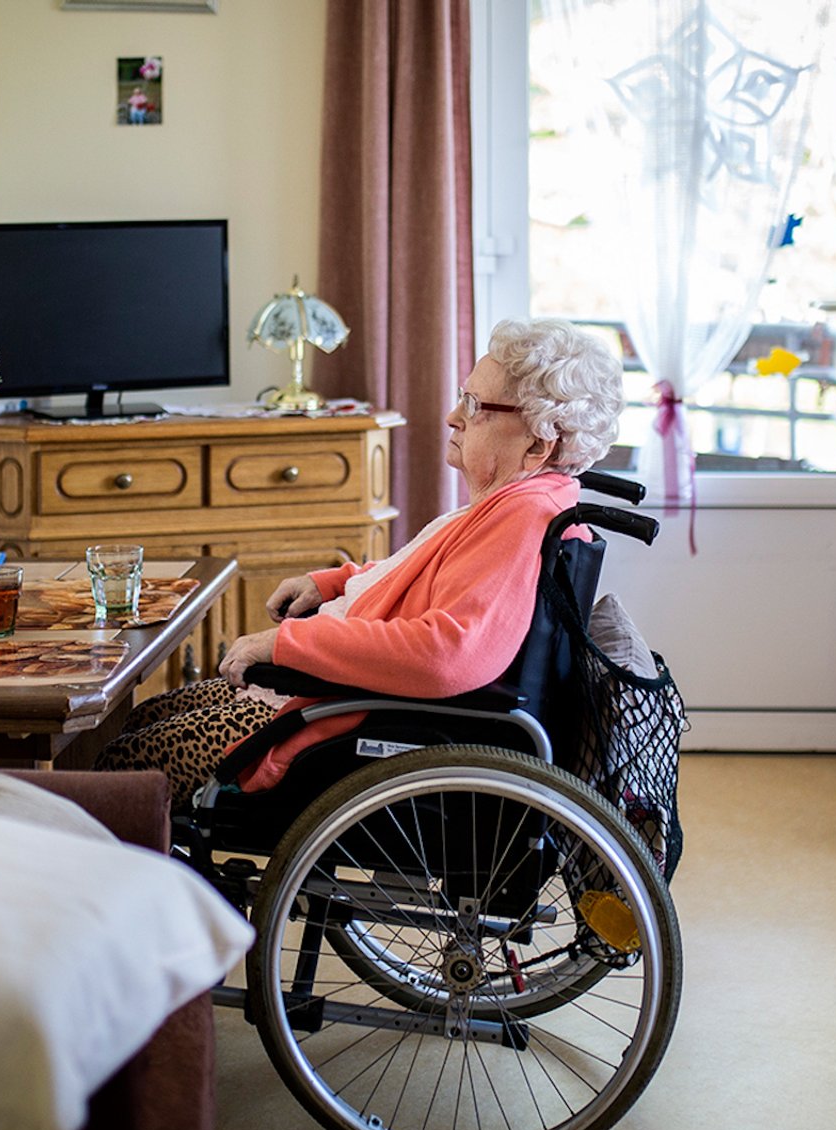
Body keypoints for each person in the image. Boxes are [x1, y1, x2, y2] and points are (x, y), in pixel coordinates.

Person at [94, 318, 625, 805]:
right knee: (148, 715)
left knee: (126, 765)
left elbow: (447, 652)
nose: (453, 415)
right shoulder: (521, 502)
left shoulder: (519, 519)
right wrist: (333, 583)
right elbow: (421, 575)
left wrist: (284, 642)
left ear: (539, 440)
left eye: (475, 405)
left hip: (355, 719)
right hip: (346, 696)